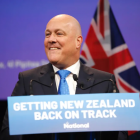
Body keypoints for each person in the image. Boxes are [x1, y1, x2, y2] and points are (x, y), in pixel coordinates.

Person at [0, 14, 128, 140]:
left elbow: (120, 134)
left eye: (59, 34)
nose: (51, 39)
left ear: (78, 41)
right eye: (47, 34)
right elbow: (9, 132)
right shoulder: (28, 80)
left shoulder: (105, 81)